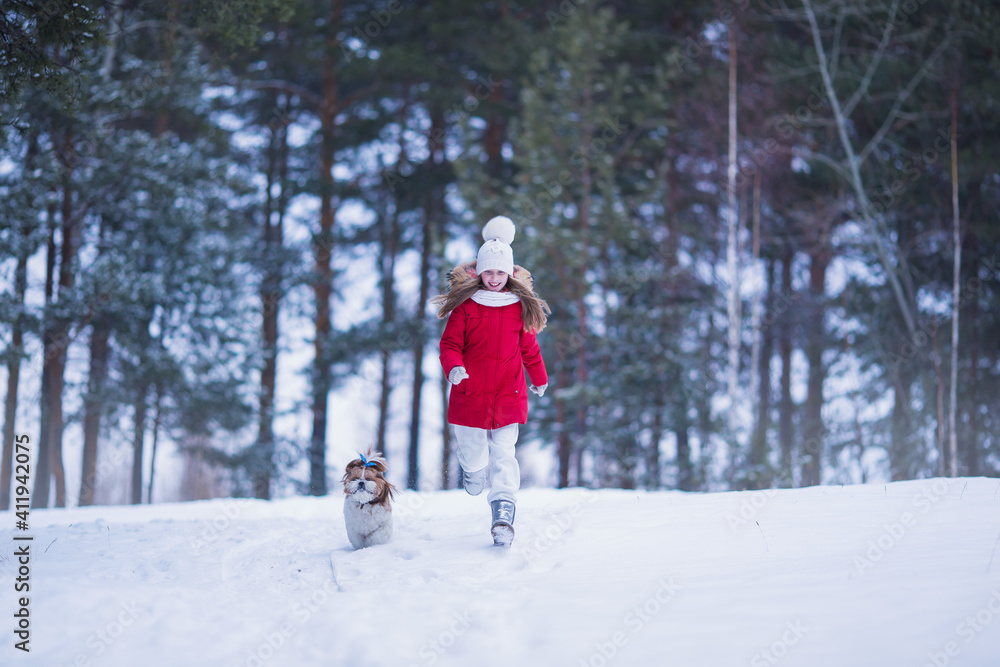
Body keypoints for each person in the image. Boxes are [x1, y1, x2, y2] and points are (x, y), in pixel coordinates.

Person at [432, 215, 549, 546]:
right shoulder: (466, 307)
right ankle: (472, 470)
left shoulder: (518, 308)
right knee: (474, 452)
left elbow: (530, 348)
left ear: (510, 273)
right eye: (489, 271)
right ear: (479, 272)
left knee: (504, 453)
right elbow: (450, 345)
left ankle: (503, 510)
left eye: (501, 272)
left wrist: (539, 378)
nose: (495, 278)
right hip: (470, 392)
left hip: (508, 394)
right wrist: (454, 368)